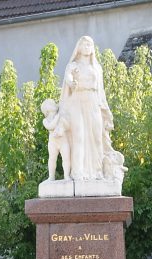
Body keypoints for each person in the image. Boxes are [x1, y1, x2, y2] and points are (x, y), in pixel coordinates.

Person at [60, 35, 115, 181]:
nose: (87, 47)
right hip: (77, 101)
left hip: (93, 101)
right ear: (78, 47)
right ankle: (79, 172)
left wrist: (106, 111)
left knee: (96, 136)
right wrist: (72, 83)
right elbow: (68, 78)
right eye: (84, 44)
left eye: (89, 45)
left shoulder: (96, 68)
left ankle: (97, 172)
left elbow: (101, 91)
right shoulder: (73, 65)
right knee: (79, 136)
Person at [41, 98, 71, 181]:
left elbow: (68, 126)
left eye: (54, 103)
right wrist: (58, 117)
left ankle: (66, 176)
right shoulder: (45, 120)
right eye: (51, 104)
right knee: (52, 159)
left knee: (66, 158)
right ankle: (51, 177)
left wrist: (62, 127)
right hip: (53, 143)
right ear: (47, 109)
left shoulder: (61, 117)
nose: (54, 104)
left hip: (63, 141)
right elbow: (51, 126)